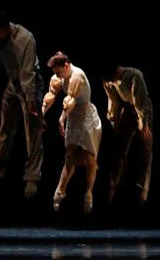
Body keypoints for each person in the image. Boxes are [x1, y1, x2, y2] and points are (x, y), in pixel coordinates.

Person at [0, 11, 44, 199]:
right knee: (3, 132)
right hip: (12, 84)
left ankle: (32, 177)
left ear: (6, 27)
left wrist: (30, 100)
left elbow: (27, 73)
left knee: (33, 131)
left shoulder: (25, 38)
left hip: (31, 84)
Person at [42, 51, 102, 213]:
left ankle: (89, 192)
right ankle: (60, 190)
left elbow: (71, 99)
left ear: (66, 66)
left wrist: (61, 119)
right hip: (74, 116)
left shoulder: (77, 75)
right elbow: (51, 94)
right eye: (55, 72)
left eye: (58, 71)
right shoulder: (59, 76)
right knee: (70, 156)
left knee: (89, 158)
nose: (57, 75)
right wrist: (42, 112)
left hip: (87, 116)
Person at [102, 63, 153, 205]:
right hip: (126, 109)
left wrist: (143, 122)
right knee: (119, 148)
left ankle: (143, 189)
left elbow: (140, 100)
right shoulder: (107, 80)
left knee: (145, 148)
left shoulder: (134, 75)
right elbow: (113, 99)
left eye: (114, 79)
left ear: (118, 71)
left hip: (142, 109)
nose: (112, 82)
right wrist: (113, 118)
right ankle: (114, 186)